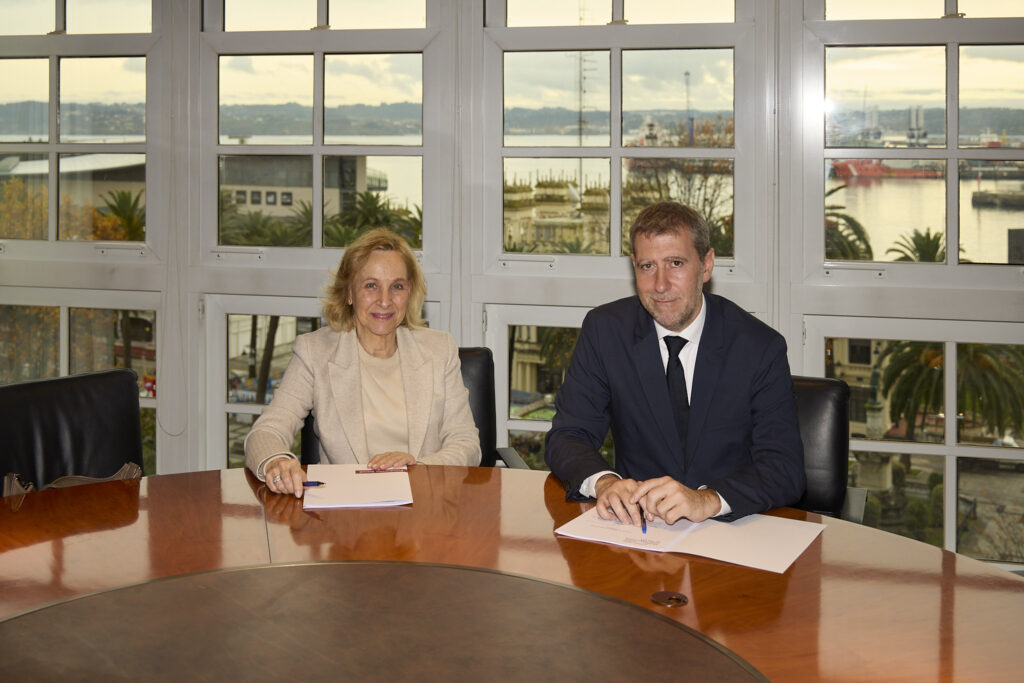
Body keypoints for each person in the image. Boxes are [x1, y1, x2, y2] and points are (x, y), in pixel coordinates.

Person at [545, 201, 805, 526]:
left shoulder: (758, 347)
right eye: (647, 267)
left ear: (706, 265)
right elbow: (568, 434)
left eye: (676, 263)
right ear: (634, 267)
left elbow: (784, 468)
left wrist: (706, 499)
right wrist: (605, 482)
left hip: (731, 535)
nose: (661, 285)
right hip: (639, 534)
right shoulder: (606, 331)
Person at [245, 228, 481, 497]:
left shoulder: (439, 349)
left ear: (410, 292)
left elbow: (466, 443)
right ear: (348, 293)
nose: (385, 300)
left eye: (397, 286)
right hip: (345, 516)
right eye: (371, 285)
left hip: (426, 510)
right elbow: (265, 432)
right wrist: (276, 462)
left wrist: (418, 468)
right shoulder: (315, 352)